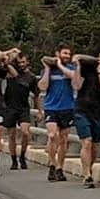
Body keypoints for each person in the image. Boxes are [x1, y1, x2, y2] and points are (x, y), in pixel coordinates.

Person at [72, 45, 100, 189]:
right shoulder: (86, 69)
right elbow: (76, 85)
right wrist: (78, 66)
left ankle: (88, 169)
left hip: (97, 113)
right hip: (82, 110)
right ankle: (87, 175)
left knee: (95, 147)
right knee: (87, 142)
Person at [38, 43, 76, 182]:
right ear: (57, 53)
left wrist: (60, 65)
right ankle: (52, 164)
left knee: (64, 139)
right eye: (64, 53)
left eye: (69, 54)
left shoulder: (71, 68)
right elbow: (42, 86)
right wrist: (48, 69)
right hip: (51, 107)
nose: (67, 56)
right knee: (53, 135)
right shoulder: (48, 70)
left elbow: (73, 78)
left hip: (67, 107)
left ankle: (60, 167)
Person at [3, 53, 39, 170]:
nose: (21, 65)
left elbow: (36, 95)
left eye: (23, 62)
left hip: (23, 107)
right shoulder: (10, 72)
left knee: (25, 132)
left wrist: (39, 110)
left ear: (27, 62)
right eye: (19, 62)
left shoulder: (31, 77)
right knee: (11, 135)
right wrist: (15, 54)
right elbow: (5, 62)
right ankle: (13, 159)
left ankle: (22, 156)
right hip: (10, 106)